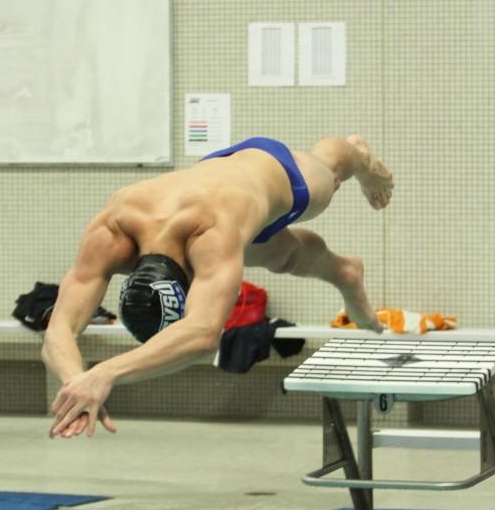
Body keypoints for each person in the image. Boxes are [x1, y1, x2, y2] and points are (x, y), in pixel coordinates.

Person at [43, 134, 393, 439]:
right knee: (281, 255)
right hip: (216, 178)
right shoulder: (113, 231)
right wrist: (78, 384)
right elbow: (59, 327)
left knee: (326, 174)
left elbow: (202, 335)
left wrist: (105, 373)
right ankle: (346, 273)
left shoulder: (210, 233)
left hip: (273, 169)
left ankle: (359, 156)